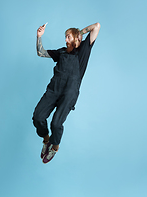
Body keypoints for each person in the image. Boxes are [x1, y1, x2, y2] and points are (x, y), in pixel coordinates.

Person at [32, 22, 101, 164]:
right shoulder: (61, 52)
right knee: (38, 117)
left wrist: (79, 34)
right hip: (53, 90)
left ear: (75, 38)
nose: (65, 39)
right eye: (65, 37)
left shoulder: (83, 51)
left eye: (68, 36)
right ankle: (46, 140)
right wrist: (39, 37)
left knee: (56, 124)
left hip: (69, 94)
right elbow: (40, 52)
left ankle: (54, 147)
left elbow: (97, 26)